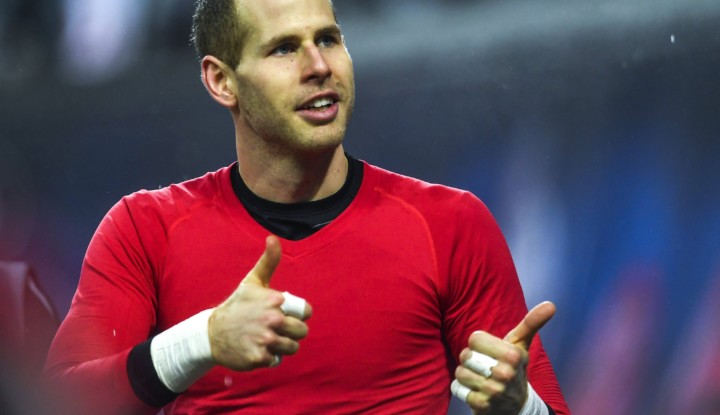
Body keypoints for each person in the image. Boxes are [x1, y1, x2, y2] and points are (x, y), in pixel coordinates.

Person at [45, 0, 571, 414]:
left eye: (328, 39)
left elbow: (541, 405)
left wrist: (519, 406)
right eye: (283, 49)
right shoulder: (145, 229)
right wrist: (201, 341)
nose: (319, 66)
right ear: (221, 81)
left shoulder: (451, 224)